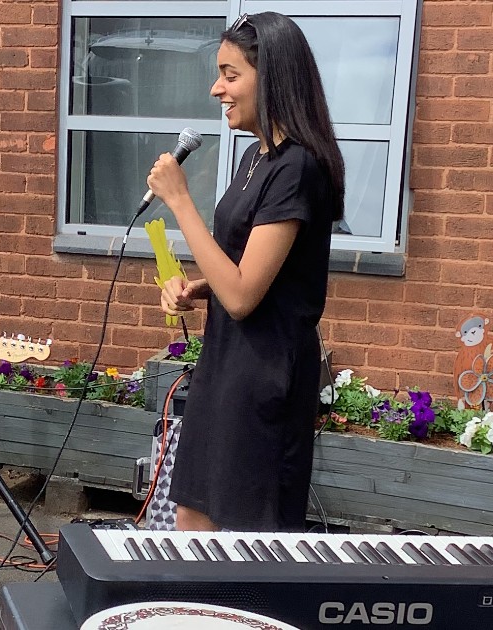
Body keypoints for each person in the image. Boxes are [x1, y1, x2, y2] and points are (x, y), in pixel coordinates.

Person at [146, 12, 345, 532]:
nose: (217, 88)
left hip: (264, 374)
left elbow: (244, 297)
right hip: (224, 364)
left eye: (230, 75)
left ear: (273, 77)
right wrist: (200, 287)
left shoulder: (296, 167)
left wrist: (180, 201)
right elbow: (247, 277)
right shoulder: (255, 158)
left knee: (240, 538)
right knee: (191, 513)